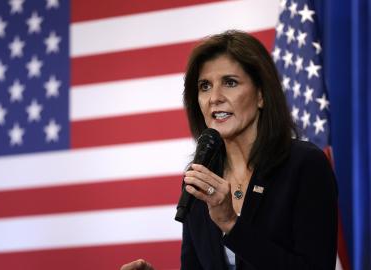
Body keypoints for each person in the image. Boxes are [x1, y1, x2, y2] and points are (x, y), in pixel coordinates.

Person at [121, 30, 338, 270]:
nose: (214, 97)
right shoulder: (199, 178)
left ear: (261, 95)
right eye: (205, 86)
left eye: (230, 82)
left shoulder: (304, 165)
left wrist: (231, 223)